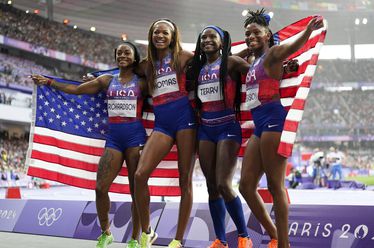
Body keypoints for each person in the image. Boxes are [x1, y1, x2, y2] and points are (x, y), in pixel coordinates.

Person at [31, 41, 146, 248]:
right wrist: (49, 82)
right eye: (119, 53)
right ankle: (106, 232)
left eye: (126, 53)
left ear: (134, 58)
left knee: (135, 190)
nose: (122, 55)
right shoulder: (106, 80)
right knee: (100, 188)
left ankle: (135, 239)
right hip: (114, 140)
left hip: (135, 139)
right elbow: (76, 90)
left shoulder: (143, 82)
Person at [238, 9, 324, 248]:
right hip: (259, 125)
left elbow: (290, 47)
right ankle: (275, 235)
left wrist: (307, 31)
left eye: (256, 32)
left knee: (276, 186)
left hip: (274, 121)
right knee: (245, 186)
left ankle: (284, 244)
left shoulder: (274, 53)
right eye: (247, 33)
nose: (251, 36)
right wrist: (285, 70)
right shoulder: (254, 62)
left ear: (267, 36)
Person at [133, 19, 197, 248]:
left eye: (165, 33)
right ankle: (147, 231)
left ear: (173, 36)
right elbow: (119, 72)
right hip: (162, 126)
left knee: (184, 180)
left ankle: (178, 240)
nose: (160, 36)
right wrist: (94, 79)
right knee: (140, 175)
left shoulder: (183, 57)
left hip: (185, 123)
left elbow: (217, 62)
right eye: (156, 32)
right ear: (151, 35)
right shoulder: (145, 66)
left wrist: (251, 51)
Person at [191, 25, 253, 248]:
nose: (207, 40)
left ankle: (244, 236)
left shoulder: (232, 62)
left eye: (212, 36)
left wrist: (283, 66)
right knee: (211, 186)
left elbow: (258, 73)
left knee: (224, 184)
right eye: (203, 37)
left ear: (222, 41)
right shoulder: (196, 67)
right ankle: (221, 240)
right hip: (205, 129)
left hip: (228, 126)